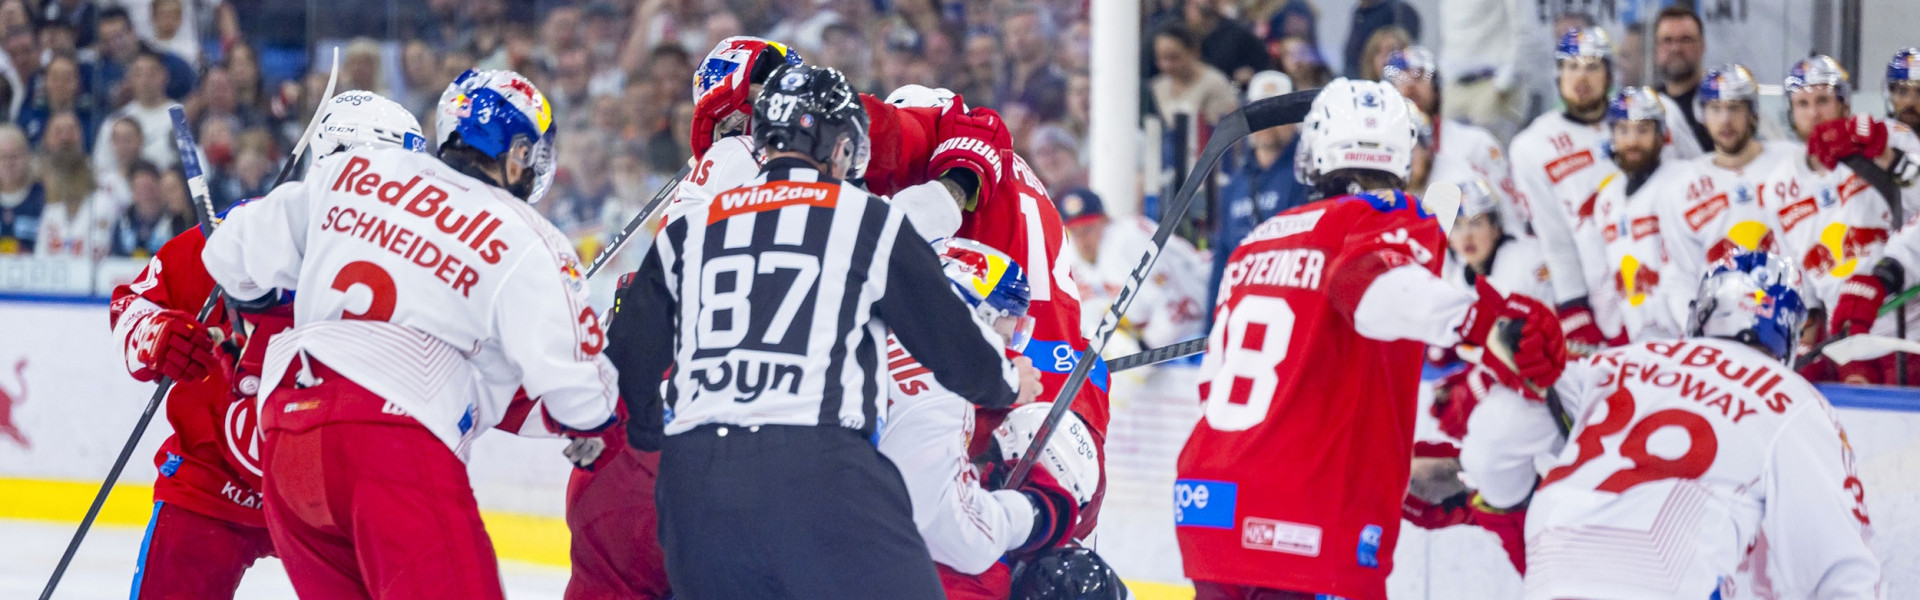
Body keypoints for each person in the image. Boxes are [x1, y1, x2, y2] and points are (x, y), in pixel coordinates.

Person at [605, 63, 1040, 600]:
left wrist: (657, 434)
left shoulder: (690, 230)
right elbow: (951, 345)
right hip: (820, 470)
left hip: (693, 487)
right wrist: (1007, 382)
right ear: (839, 148)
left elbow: (626, 357)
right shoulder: (864, 218)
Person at [200, 70, 617, 600]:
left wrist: (260, 292)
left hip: (288, 446)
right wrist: (594, 426)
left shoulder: (354, 169)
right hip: (390, 445)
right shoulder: (527, 235)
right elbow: (581, 392)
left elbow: (227, 253)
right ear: (514, 152)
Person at [1176, 78, 1568, 600]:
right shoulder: (1385, 213)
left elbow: (1264, 392)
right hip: (1306, 526)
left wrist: (1392, 472)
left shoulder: (1256, 240)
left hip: (1212, 505)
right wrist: (1490, 325)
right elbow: (1365, 283)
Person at [104, 91, 426, 600]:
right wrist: (158, 336)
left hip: (336, 495)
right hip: (214, 482)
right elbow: (133, 305)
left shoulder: (417, 260)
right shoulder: (247, 232)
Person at [1461, 251, 1882, 599]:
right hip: (1668, 574)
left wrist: (1507, 508)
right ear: (1789, 335)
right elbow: (1844, 566)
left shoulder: (1614, 361)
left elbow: (1492, 446)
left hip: (1555, 565)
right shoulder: (1794, 399)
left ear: (1699, 313)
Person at [877, 238, 1093, 600]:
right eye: (1002, 335)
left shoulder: (871, 338)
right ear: (969, 318)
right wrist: (1039, 510)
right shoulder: (935, 390)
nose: (1007, 350)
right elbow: (961, 536)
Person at [1756, 55, 1920, 384]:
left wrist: (1886, 156)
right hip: (1846, 343)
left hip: (1909, 329)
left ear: (1845, 104)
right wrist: (1798, 340)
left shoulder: (1886, 136)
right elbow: (1800, 279)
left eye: (1823, 101)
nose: (1813, 113)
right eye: (1802, 103)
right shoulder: (1778, 186)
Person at [1512, 28, 1630, 351]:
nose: (1581, 76)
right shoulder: (1532, 145)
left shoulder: (1644, 118)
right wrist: (1574, 307)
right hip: (1600, 296)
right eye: (1571, 66)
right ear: (1558, 74)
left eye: (1592, 66)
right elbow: (1554, 237)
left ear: (1609, 75)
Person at [1661, 65, 1798, 303]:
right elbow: (1680, 276)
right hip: (1719, 324)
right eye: (1715, 108)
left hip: (1790, 315)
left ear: (1752, 112)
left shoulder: (1792, 162)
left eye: (1734, 108)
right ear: (1702, 115)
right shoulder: (1682, 186)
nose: (1725, 119)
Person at [1589, 87, 1698, 342]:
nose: (1632, 141)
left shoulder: (1684, 179)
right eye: (1623, 130)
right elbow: (1603, 276)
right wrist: (1614, 331)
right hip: (1638, 342)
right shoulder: (1607, 198)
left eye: (1643, 130)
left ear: (1662, 134)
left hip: (1688, 336)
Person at [1383, 46, 1524, 228]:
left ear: (1437, 88)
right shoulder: (1380, 152)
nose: (1410, 86)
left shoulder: (1477, 143)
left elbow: (1510, 211)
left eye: (1419, 77)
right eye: (1399, 79)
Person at [1212, 71, 1311, 309]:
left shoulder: (1313, 176)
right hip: (1239, 309)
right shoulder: (1235, 184)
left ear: (1294, 118)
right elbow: (1222, 260)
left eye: (1278, 113)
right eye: (1260, 113)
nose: (1268, 122)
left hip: (1288, 305)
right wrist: (1210, 329)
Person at [93, 51, 181, 170]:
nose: (145, 80)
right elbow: (102, 167)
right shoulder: (116, 120)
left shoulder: (179, 115)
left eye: (152, 73)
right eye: (138, 74)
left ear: (165, 76)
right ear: (130, 79)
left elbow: (192, 168)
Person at [1149, 22, 1239, 127]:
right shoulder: (1157, 86)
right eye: (1161, 58)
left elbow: (1230, 130)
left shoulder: (1215, 84)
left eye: (1174, 58)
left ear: (1194, 52)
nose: (1166, 65)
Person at [1653, 6, 1712, 151]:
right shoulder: (1650, 103)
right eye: (1667, 40)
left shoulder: (1720, 102)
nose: (1676, 48)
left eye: (1685, 40)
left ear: (1702, 46)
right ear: (1656, 48)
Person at [35, 149, 108, 258]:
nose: (45, 183)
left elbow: (99, 250)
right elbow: (40, 255)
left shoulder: (100, 204)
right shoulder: (51, 211)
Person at [106, 160, 181, 257]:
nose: (147, 195)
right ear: (132, 192)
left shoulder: (176, 221)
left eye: (150, 188)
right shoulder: (122, 223)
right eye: (141, 189)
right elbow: (115, 259)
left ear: (160, 187)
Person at [1341, 0, 1418, 80]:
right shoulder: (1359, 11)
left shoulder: (1398, 9)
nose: (1384, 57)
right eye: (1378, 51)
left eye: (1390, 50)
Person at [0, 123, 42, 253]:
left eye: (14, 156)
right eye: (2, 157)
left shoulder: (43, 198)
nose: (8, 163)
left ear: (28, 157)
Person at [1888, 47, 1920, 132]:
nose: (1910, 102)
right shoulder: (1877, 142)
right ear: (1890, 94)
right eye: (1902, 91)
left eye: (1919, 93)